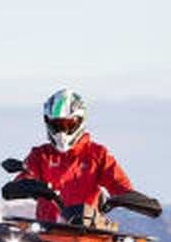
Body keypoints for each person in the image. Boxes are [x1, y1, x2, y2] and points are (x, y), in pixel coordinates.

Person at [16, 88, 134, 222]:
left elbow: (120, 185)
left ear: (80, 121)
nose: (62, 132)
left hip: (88, 229)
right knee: (5, 236)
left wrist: (131, 199)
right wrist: (24, 185)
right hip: (48, 230)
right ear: (48, 123)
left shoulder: (97, 154)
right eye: (57, 125)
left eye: (68, 124)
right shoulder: (40, 155)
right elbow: (26, 175)